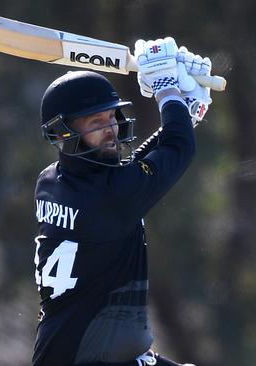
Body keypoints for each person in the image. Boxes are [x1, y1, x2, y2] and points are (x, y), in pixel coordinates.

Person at [32, 37, 213, 366]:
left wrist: (183, 114)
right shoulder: (113, 196)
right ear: (62, 134)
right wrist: (166, 89)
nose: (111, 129)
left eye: (111, 117)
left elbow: (134, 172)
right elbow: (177, 150)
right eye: (95, 123)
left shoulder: (51, 181)